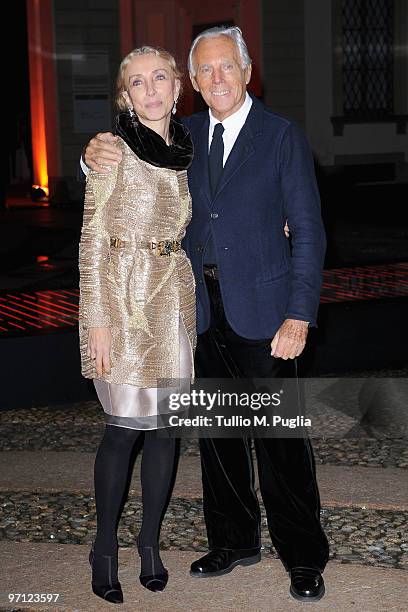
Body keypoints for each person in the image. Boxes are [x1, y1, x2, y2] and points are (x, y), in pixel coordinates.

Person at [82, 26, 329, 603]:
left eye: (227, 67)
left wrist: (299, 313)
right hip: (194, 309)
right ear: (191, 83)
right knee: (219, 438)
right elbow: (123, 168)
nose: (217, 78)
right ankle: (233, 540)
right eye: (205, 71)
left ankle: (303, 555)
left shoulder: (282, 136)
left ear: (247, 73)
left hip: (266, 310)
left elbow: (311, 232)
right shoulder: (183, 134)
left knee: (279, 440)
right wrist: (90, 158)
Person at [78, 45, 195, 604]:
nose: (150, 90)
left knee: (166, 430)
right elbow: (91, 241)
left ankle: (149, 543)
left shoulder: (186, 150)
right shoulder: (113, 153)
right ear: (125, 96)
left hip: (173, 302)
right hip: (123, 305)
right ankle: (104, 547)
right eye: (137, 83)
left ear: (177, 86)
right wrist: (97, 320)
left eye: (160, 79)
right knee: (123, 429)